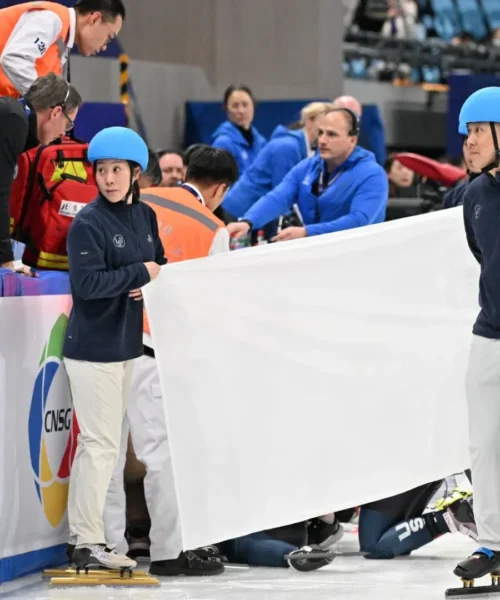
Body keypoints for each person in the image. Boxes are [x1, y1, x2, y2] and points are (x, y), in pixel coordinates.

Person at [103, 146, 239, 577]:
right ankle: (168, 551)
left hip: (103, 337)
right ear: (218, 189)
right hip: (151, 345)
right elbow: (210, 306)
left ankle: (107, 548)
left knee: (104, 452)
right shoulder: (213, 228)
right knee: (161, 454)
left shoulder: (138, 198)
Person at [63, 126, 166, 571]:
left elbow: (156, 263)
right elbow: (86, 286)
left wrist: (147, 281)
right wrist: (138, 276)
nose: (107, 178)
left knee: (108, 446)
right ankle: (85, 540)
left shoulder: (144, 217)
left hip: (126, 346)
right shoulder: (88, 222)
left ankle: (95, 537)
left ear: (135, 173)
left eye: (116, 170)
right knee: (99, 445)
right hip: (91, 349)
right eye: (101, 170)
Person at [454, 86, 500, 581]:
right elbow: (482, 258)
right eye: (467, 133)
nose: (469, 142)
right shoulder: (474, 195)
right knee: (485, 446)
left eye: (478, 131)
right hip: (488, 335)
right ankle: (492, 544)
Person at [227, 108, 388, 243]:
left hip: (357, 258)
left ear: (352, 140)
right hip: (318, 253)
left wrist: (307, 232)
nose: (322, 140)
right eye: (320, 133)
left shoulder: (372, 175)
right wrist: (248, 221)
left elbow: (359, 221)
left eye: (331, 134)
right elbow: (278, 197)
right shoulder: (308, 167)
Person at [0, 73, 82, 270]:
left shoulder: (12, 115)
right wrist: (5, 262)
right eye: (68, 123)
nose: (64, 133)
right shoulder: (13, 120)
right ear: (55, 113)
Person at [222, 102, 334, 220]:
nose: (325, 131)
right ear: (309, 121)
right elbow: (282, 192)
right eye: (322, 126)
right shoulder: (288, 148)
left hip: (253, 209)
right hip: (240, 210)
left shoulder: (304, 147)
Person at [0, 0, 125, 99]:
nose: (104, 46)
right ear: (95, 19)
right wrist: (47, 101)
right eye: (109, 37)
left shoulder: (62, 41)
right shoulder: (51, 19)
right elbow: (13, 58)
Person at [212, 84, 266, 176]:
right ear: (226, 109)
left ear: (253, 106)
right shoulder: (222, 143)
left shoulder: (261, 143)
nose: (241, 111)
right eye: (235, 106)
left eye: (245, 105)